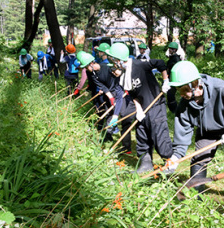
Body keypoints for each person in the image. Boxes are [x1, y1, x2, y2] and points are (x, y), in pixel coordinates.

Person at [166, 61, 224, 206]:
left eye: (184, 90)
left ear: (195, 85)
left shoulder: (221, 89)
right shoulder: (184, 106)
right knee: (198, 159)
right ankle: (196, 197)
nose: (181, 95)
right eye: (178, 91)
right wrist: (175, 157)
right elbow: (182, 134)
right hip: (207, 130)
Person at [107, 43, 173, 173]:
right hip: (143, 108)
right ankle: (145, 163)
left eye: (114, 60)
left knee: (158, 133)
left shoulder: (139, 65)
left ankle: (169, 162)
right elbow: (133, 95)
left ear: (119, 59)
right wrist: (139, 110)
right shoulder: (124, 76)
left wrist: (166, 80)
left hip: (155, 105)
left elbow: (159, 63)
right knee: (142, 133)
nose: (114, 63)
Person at [77, 50, 132, 145]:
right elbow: (101, 85)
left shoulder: (107, 68)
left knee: (123, 114)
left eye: (86, 66)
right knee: (109, 114)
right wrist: (110, 97)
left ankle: (126, 144)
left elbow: (119, 79)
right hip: (109, 93)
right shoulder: (91, 73)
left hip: (118, 90)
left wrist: (123, 90)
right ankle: (108, 136)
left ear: (91, 64)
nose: (85, 69)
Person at [163, 42, 182, 113]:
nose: (169, 50)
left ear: (174, 50)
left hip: (174, 79)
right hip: (170, 78)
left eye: (170, 49)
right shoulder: (172, 58)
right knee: (170, 94)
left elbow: (175, 69)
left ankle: (174, 110)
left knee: (170, 94)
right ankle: (173, 110)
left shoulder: (176, 59)